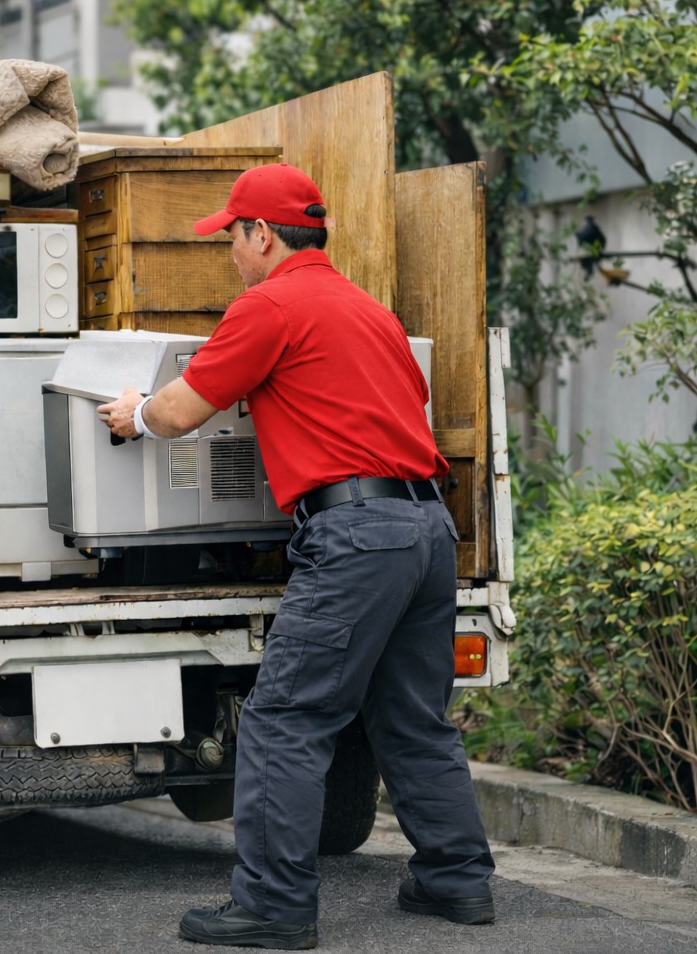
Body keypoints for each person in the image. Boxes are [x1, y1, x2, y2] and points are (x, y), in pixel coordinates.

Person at [97, 163, 495, 949]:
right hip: (425, 527)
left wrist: (134, 413)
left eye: (231, 238)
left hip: (356, 536)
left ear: (262, 234)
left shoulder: (269, 305)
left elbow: (179, 413)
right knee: (412, 718)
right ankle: (457, 881)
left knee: (284, 719)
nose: (230, 255)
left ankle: (274, 907)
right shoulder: (369, 311)